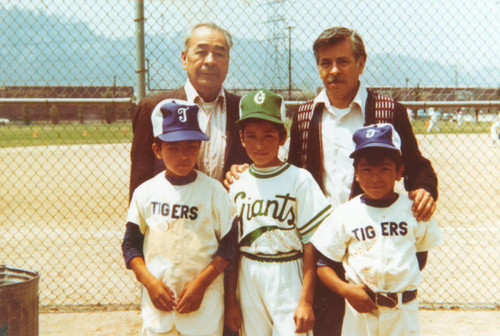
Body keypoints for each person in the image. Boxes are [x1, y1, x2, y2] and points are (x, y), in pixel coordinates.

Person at [286, 27, 439, 336]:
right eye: (325, 62)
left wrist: (425, 189)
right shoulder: (304, 116)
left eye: (342, 61)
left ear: (361, 63)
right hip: (325, 251)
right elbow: (293, 172)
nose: (333, 71)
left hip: (372, 247)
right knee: (328, 327)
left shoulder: (387, 111)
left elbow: (415, 164)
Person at [311, 123, 442, 336]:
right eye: (366, 170)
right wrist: (346, 290)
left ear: (399, 172)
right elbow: (323, 264)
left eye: (384, 169)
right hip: (360, 311)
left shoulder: (412, 210)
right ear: (355, 173)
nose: (374, 178)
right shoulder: (346, 214)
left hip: (402, 312)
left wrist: (397, 279)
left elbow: (419, 256)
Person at [122, 100, 238, 336]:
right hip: (159, 304)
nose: (183, 156)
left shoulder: (214, 192)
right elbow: (130, 245)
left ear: (199, 148)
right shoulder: (146, 192)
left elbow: (229, 246)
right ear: (157, 150)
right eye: (173, 148)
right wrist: (149, 283)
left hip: (203, 304)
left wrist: (201, 284)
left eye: (191, 147)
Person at [225, 90, 333, 336]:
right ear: (241, 138)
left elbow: (311, 244)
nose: (259, 145)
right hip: (248, 272)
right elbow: (232, 249)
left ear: (283, 137)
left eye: (268, 135)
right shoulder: (237, 184)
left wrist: (305, 300)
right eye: (250, 136)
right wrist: (231, 301)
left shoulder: (299, 179)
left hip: (288, 272)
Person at [129, 22, 250, 199]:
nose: (210, 60)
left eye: (219, 53)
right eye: (201, 52)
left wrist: (248, 170)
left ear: (228, 61)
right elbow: (140, 180)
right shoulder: (155, 109)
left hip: (230, 220)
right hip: (173, 222)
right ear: (184, 59)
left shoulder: (243, 110)